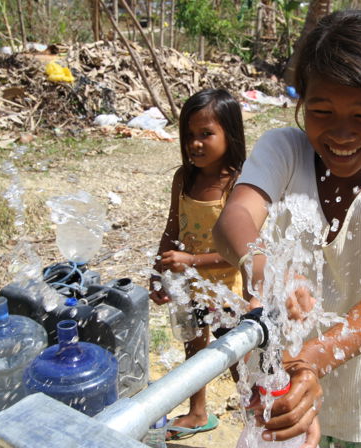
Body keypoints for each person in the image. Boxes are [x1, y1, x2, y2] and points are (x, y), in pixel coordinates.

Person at [213, 10, 361, 448]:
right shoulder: (284, 151)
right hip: (279, 394)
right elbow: (234, 219)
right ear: (302, 101)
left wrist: (312, 360)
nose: (340, 132)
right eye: (321, 110)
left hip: (360, 410)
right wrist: (266, 267)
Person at [149, 88, 246, 441]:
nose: (196, 143)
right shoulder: (184, 179)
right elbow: (171, 230)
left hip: (227, 289)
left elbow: (241, 252)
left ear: (230, 135)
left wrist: (191, 259)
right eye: (189, 135)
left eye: (206, 134)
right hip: (190, 285)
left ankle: (256, 415)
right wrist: (158, 273)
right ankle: (198, 411)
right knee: (194, 346)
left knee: (237, 356)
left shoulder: (236, 184)